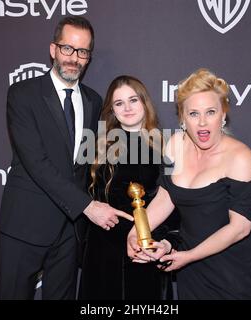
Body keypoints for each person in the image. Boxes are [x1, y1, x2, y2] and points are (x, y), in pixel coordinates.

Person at [0, 16, 133, 300]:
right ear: (53, 49)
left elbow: (89, 166)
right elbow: (36, 163)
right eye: (67, 48)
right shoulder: (23, 94)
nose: (74, 58)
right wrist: (88, 206)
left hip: (71, 232)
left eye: (82, 51)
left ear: (88, 57)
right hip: (26, 225)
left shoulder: (94, 101)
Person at [127, 69, 251, 300]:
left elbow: (239, 228)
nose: (202, 122)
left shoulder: (241, 158)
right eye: (193, 113)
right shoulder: (175, 145)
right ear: (182, 118)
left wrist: (189, 255)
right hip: (192, 274)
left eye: (211, 112)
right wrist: (135, 232)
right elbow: (165, 198)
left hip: (234, 274)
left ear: (223, 114)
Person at [78, 75, 180, 300]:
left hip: (146, 247)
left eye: (133, 100)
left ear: (144, 102)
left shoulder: (168, 147)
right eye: (119, 103)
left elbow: (175, 205)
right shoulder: (97, 147)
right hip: (103, 251)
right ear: (112, 110)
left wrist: (161, 240)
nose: (127, 108)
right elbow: (85, 201)